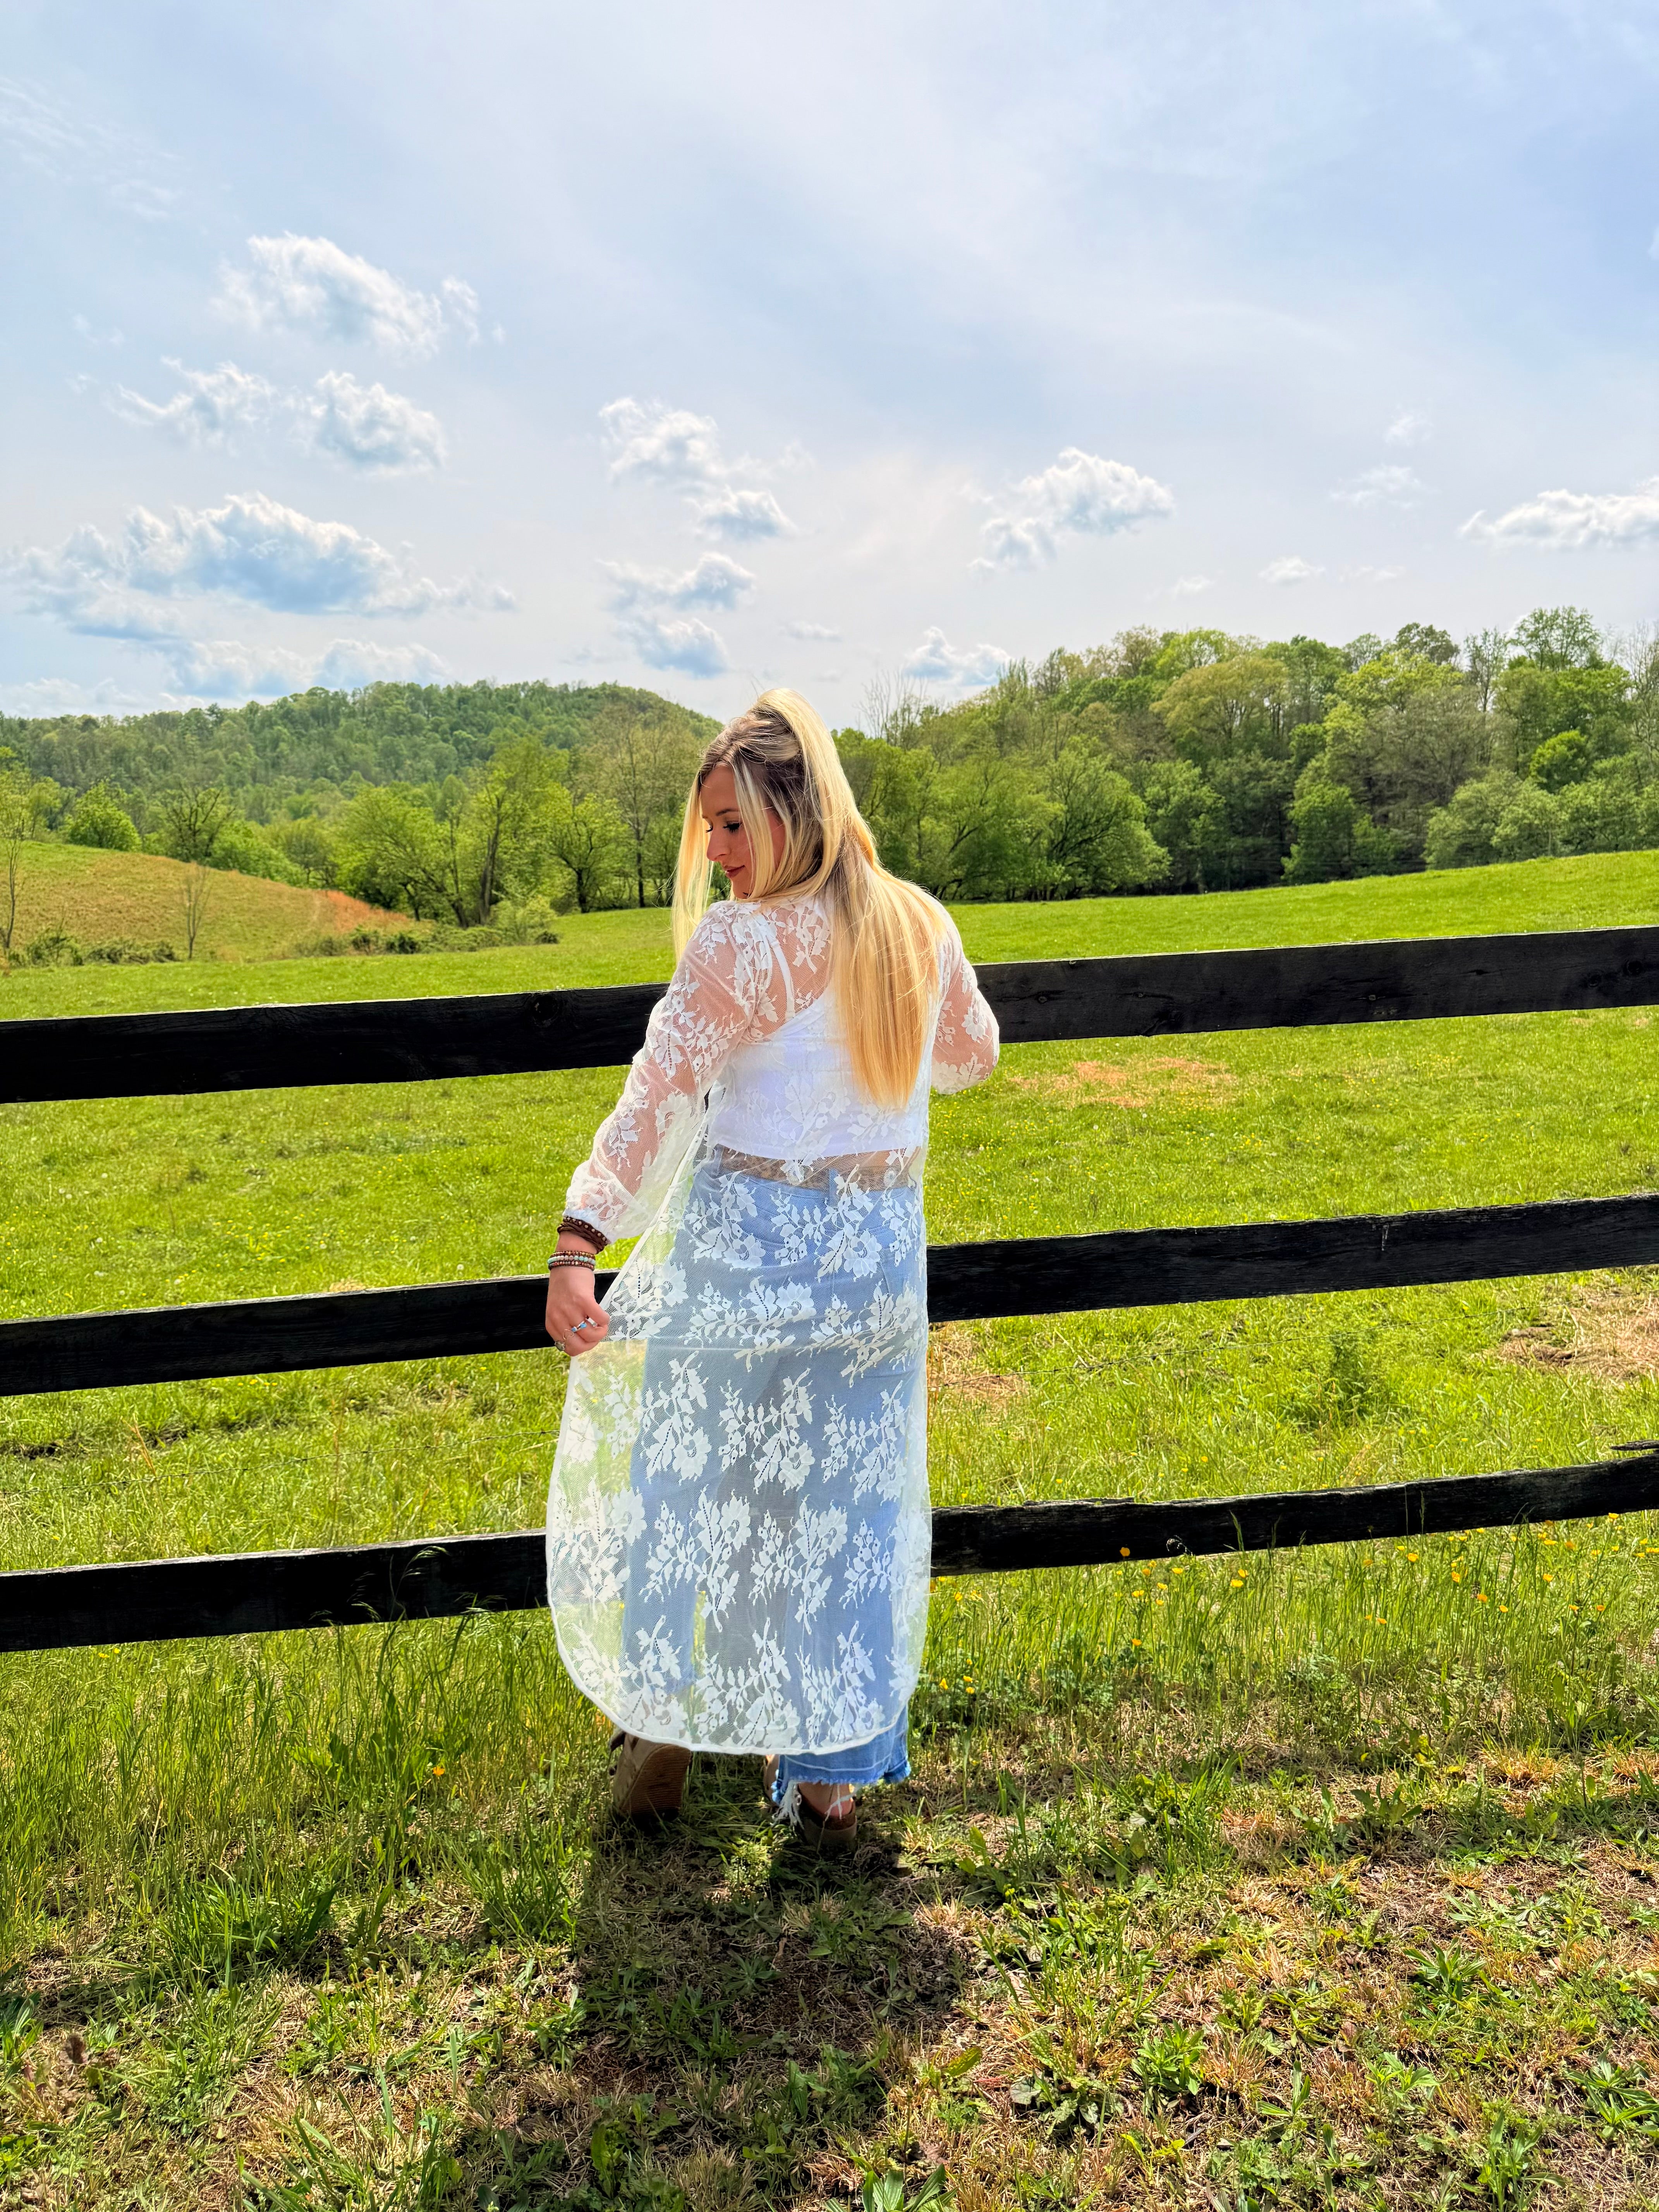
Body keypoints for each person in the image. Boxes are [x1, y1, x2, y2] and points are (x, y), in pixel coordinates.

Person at [544, 689, 998, 1849]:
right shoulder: (917, 924)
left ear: (796, 810)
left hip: (746, 1255)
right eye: (710, 830)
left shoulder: (743, 943)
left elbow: (655, 1098)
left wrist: (580, 1240)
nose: (718, 852)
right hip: (872, 1275)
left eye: (734, 825)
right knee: (844, 1518)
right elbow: (969, 1061)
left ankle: (658, 1730)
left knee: (685, 1493)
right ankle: (828, 1785)